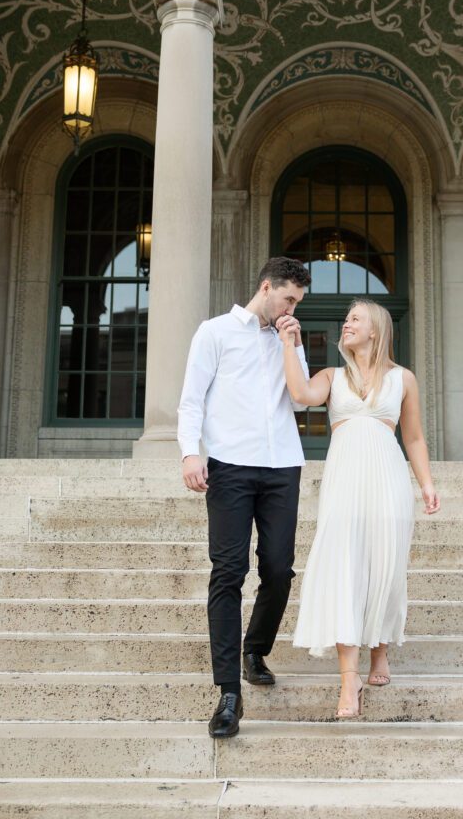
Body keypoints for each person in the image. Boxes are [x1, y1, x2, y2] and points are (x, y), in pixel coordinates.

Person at [279, 298, 440, 719]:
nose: (346, 325)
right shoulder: (331, 377)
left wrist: (426, 485)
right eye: (347, 319)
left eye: (355, 319)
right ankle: (349, 681)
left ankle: (380, 650)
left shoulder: (403, 379)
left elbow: (415, 438)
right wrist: (288, 343)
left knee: (385, 565)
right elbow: (299, 394)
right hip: (345, 480)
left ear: (376, 330)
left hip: (388, 478)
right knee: (344, 568)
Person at [178, 256, 311, 739]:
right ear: (267, 287)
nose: (293, 307)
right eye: (289, 299)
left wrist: (290, 345)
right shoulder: (214, 332)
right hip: (230, 466)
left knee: (278, 568)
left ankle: (256, 648)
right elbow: (192, 398)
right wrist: (191, 454)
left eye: (298, 302)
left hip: (282, 466)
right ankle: (228, 691)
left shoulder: (288, 337)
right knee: (228, 571)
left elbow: (300, 399)